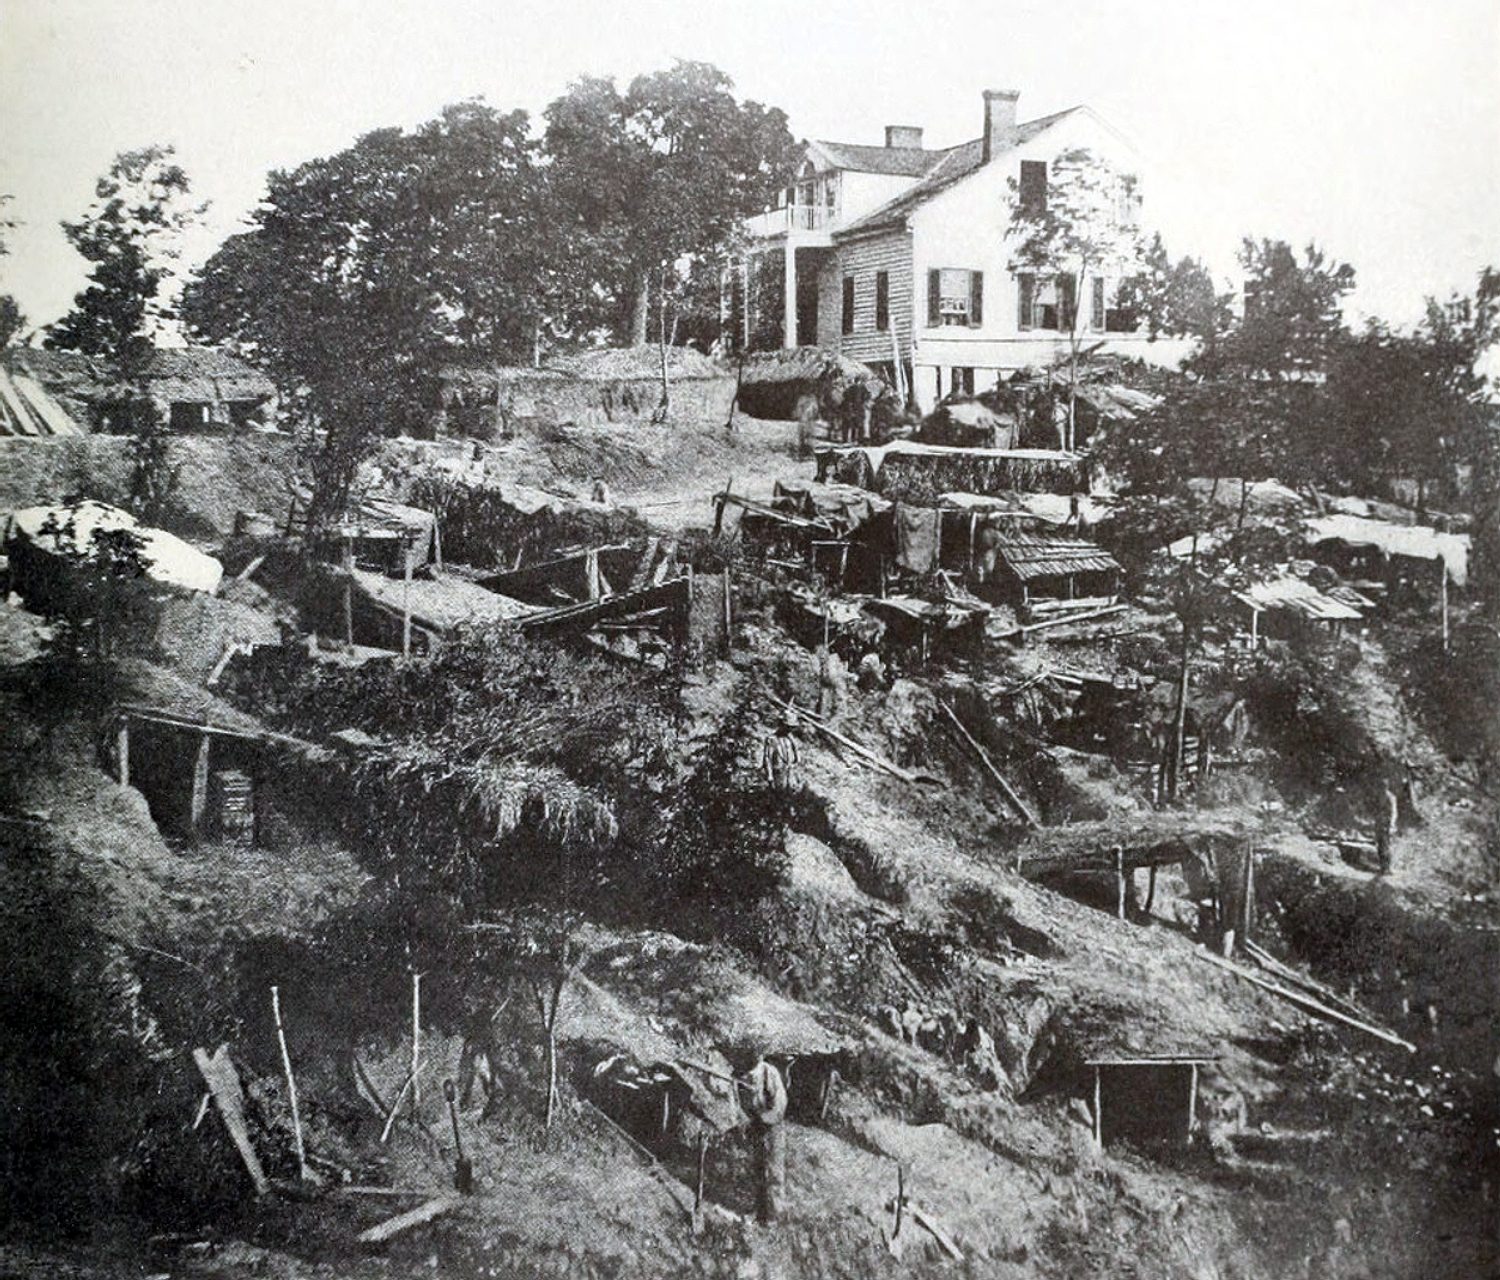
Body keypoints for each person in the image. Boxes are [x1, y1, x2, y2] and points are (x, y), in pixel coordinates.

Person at [739, 1054, 788, 1224]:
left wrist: (764, 1118)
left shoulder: (769, 1073)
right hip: (756, 1127)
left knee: (773, 1172)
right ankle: (758, 1210)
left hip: (773, 1128)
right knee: (757, 1170)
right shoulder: (743, 1075)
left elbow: (780, 1105)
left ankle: (774, 1215)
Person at [762, 724, 800, 793]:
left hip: (790, 774)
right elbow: (767, 758)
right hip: (778, 774)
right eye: (788, 727)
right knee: (778, 797)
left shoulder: (790, 739)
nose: (789, 730)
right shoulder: (771, 739)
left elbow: (796, 758)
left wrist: (795, 772)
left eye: (791, 728)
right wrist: (770, 776)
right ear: (781, 725)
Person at [1375, 779, 1399, 875]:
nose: (1381, 788)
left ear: (1386, 786)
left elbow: (1393, 812)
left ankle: (1388, 868)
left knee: (1386, 846)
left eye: (1383, 786)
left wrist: (1391, 825)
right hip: (1380, 823)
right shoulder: (1380, 797)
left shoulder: (1391, 797)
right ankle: (1382, 867)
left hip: (1387, 824)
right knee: (1380, 845)